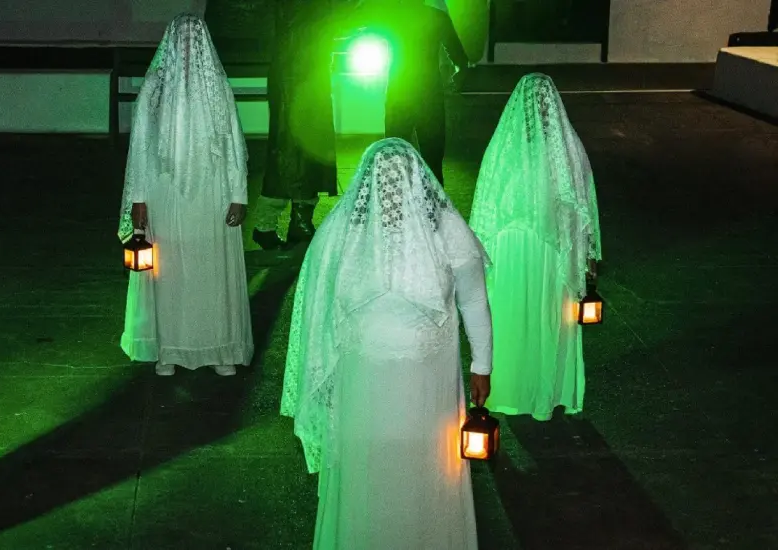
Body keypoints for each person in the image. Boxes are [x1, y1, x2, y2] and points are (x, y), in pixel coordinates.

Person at [282, 138, 493, 549]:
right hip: (363, 383)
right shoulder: (343, 231)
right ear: (370, 185)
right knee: (370, 467)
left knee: (425, 464)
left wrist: (482, 364)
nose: (392, 191)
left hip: (426, 386)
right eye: (384, 181)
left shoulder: (447, 230)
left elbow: (473, 300)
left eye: (400, 181)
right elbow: (318, 303)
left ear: (417, 182)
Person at [118, 13, 254, 377]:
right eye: (184, 41)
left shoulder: (219, 89)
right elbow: (141, 149)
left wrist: (238, 193)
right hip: (165, 192)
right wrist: (139, 197)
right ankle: (170, 349)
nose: (190, 49)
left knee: (212, 270)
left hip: (213, 192)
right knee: (170, 271)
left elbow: (235, 146)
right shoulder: (154, 89)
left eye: (196, 41)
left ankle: (219, 348)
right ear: (172, 45)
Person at [469, 73, 602, 421]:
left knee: (512, 317)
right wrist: (586, 257)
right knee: (544, 318)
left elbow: (484, 211)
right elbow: (582, 211)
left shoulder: (500, 151)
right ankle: (544, 388)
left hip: (512, 252)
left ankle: (508, 386)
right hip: (549, 253)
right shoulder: (570, 151)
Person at [253, 0, 339, 250]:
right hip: (297, 76)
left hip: (306, 75)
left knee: (304, 152)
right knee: (290, 153)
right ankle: (276, 223)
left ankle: (296, 221)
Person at [353, 0, 468, 184]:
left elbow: (360, 22)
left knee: (394, 151)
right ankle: (433, 204)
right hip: (429, 91)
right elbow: (460, 60)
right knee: (432, 156)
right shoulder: (437, 17)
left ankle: (395, 198)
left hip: (400, 90)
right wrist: (457, 76)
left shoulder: (391, 15)